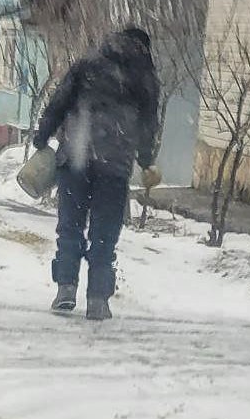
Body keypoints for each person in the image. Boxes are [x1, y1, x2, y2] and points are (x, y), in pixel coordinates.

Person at [33, 27, 163, 320]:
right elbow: (148, 125)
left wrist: (43, 136)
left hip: (76, 156)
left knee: (70, 226)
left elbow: (60, 100)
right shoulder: (144, 77)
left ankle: (66, 289)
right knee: (104, 233)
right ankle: (98, 300)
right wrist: (146, 159)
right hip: (114, 165)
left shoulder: (89, 63)